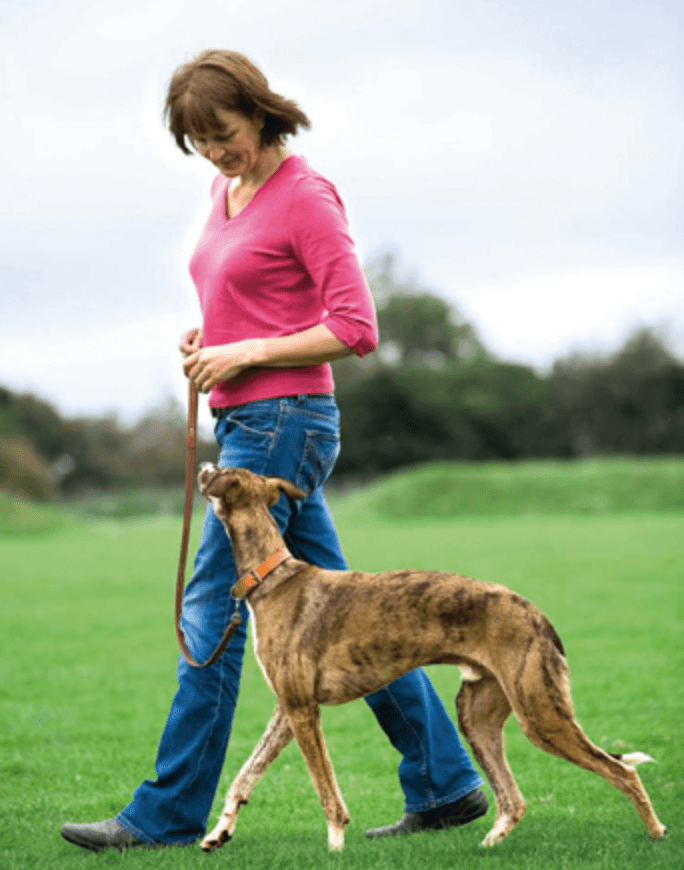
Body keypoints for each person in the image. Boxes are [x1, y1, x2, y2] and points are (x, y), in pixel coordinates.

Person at [60, 49, 486, 853]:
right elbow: (244, 295)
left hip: (283, 420)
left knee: (213, 615)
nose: (216, 154)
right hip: (250, 421)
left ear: (259, 110)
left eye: (224, 134)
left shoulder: (307, 196)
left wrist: (246, 352)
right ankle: (446, 783)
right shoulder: (227, 190)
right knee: (355, 616)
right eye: (198, 143)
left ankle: (167, 812)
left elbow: (356, 328)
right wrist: (209, 336)